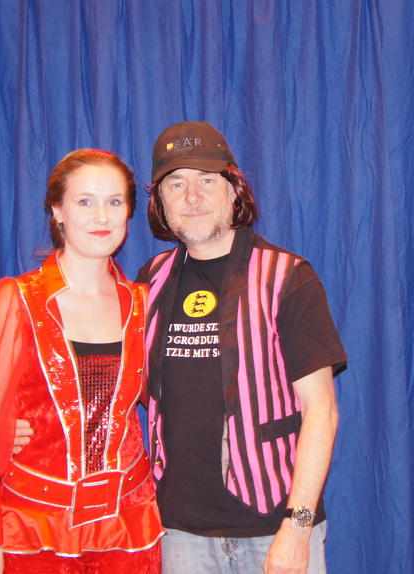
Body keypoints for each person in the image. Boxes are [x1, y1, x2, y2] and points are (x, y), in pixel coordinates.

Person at [0, 149, 163, 574]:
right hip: (35, 530)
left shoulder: (144, 303)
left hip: (129, 529)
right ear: (58, 211)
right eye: (84, 201)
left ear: (129, 212)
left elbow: (172, 402)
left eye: (114, 201)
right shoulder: (16, 300)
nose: (101, 216)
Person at [139, 121, 347, 574]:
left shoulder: (288, 277)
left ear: (234, 191)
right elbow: (109, 382)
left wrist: (298, 528)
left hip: (276, 528)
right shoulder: (149, 282)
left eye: (207, 180)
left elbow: (322, 410)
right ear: (160, 203)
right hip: (179, 533)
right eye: (176, 184)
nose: (192, 197)